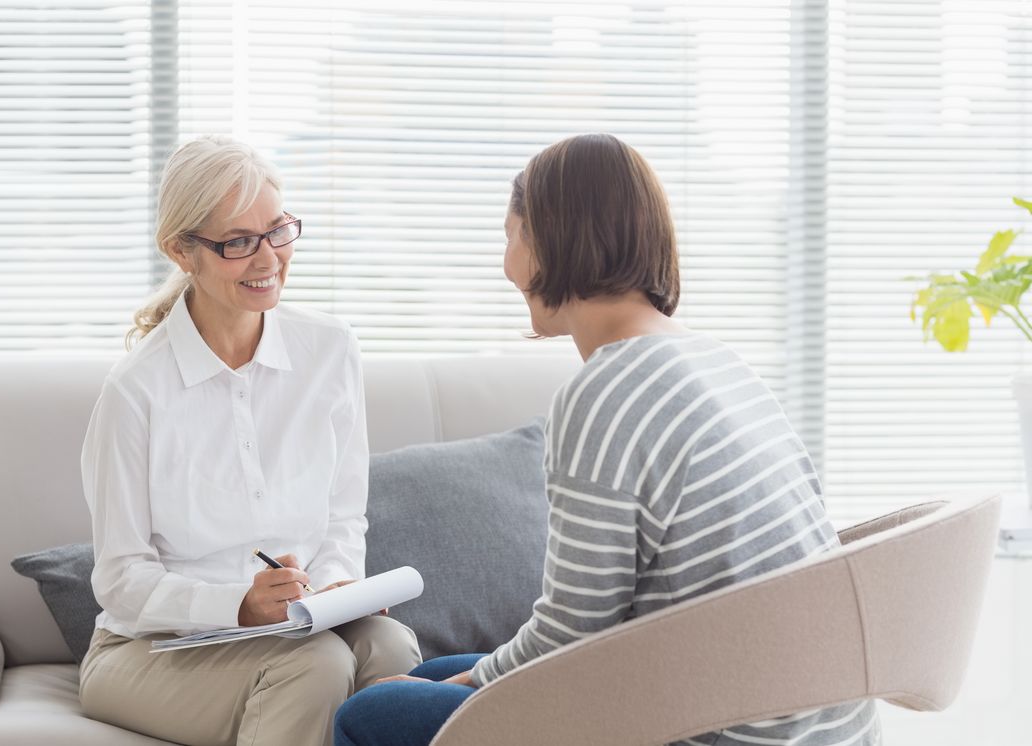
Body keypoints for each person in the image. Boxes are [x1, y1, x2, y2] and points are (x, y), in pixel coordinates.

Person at [333, 133, 880, 746]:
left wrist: (464, 693)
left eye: (510, 234)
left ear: (551, 239)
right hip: (814, 718)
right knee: (429, 674)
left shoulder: (605, 394)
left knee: (366, 716)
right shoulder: (718, 361)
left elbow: (572, 633)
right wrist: (452, 684)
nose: (506, 263)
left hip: (716, 727)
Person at [78, 135, 421, 746]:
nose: (268, 260)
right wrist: (239, 605)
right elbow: (121, 581)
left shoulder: (330, 350)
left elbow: (344, 514)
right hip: (150, 650)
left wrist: (339, 586)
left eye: (278, 231)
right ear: (182, 251)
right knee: (317, 665)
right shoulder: (137, 391)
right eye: (237, 243)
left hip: (295, 626)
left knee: (388, 645)